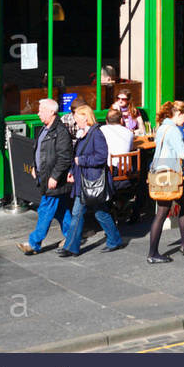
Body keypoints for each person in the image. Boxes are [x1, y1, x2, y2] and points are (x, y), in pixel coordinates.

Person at [63, 102, 125, 257]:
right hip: (84, 180)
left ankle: (71, 247)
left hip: (91, 181)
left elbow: (101, 157)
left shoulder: (96, 133)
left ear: (86, 118)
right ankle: (115, 239)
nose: (75, 121)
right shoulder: (84, 133)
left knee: (80, 213)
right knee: (99, 212)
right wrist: (72, 170)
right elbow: (77, 156)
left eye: (77, 118)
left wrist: (81, 161)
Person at [146, 101, 184, 263]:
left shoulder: (162, 128)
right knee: (163, 213)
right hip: (169, 175)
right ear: (178, 114)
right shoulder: (174, 131)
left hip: (159, 172)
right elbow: (182, 153)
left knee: (183, 204)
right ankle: (153, 253)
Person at [17, 98, 76, 256]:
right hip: (45, 176)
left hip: (54, 180)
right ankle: (73, 237)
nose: (38, 113)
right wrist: (35, 168)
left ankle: (33, 243)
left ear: (51, 112)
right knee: (61, 210)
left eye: (41, 110)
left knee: (45, 210)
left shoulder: (61, 132)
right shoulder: (45, 128)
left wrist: (55, 177)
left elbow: (65, 158)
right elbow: (39, 151)